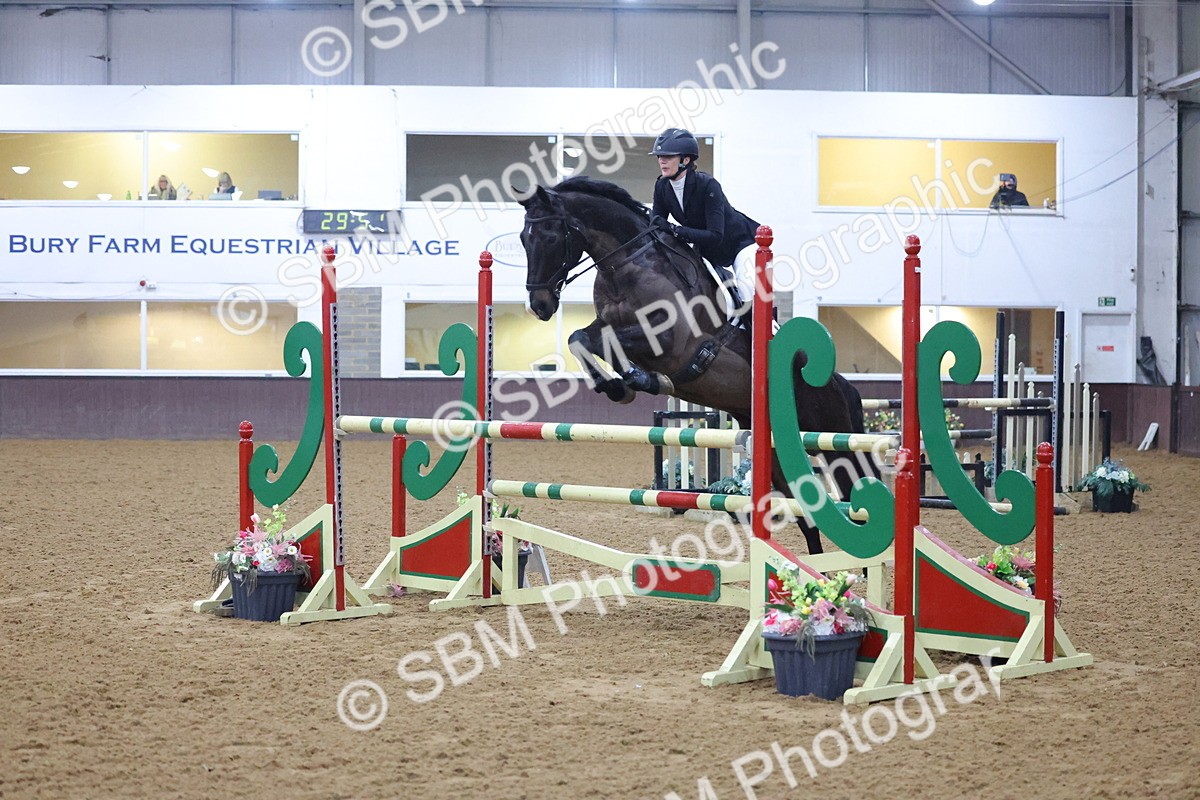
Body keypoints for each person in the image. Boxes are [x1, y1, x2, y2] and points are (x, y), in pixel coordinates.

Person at [648, 128, 760, 324]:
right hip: (707, 251)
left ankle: (768, 335)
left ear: (686, 160)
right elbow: (656, 226)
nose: (661, 161)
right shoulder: (662, 186)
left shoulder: (708, 185)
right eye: (659, 156)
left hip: (740, 244)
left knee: (747, 290)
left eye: (667, 156)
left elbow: (715, 235)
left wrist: (675, 230)